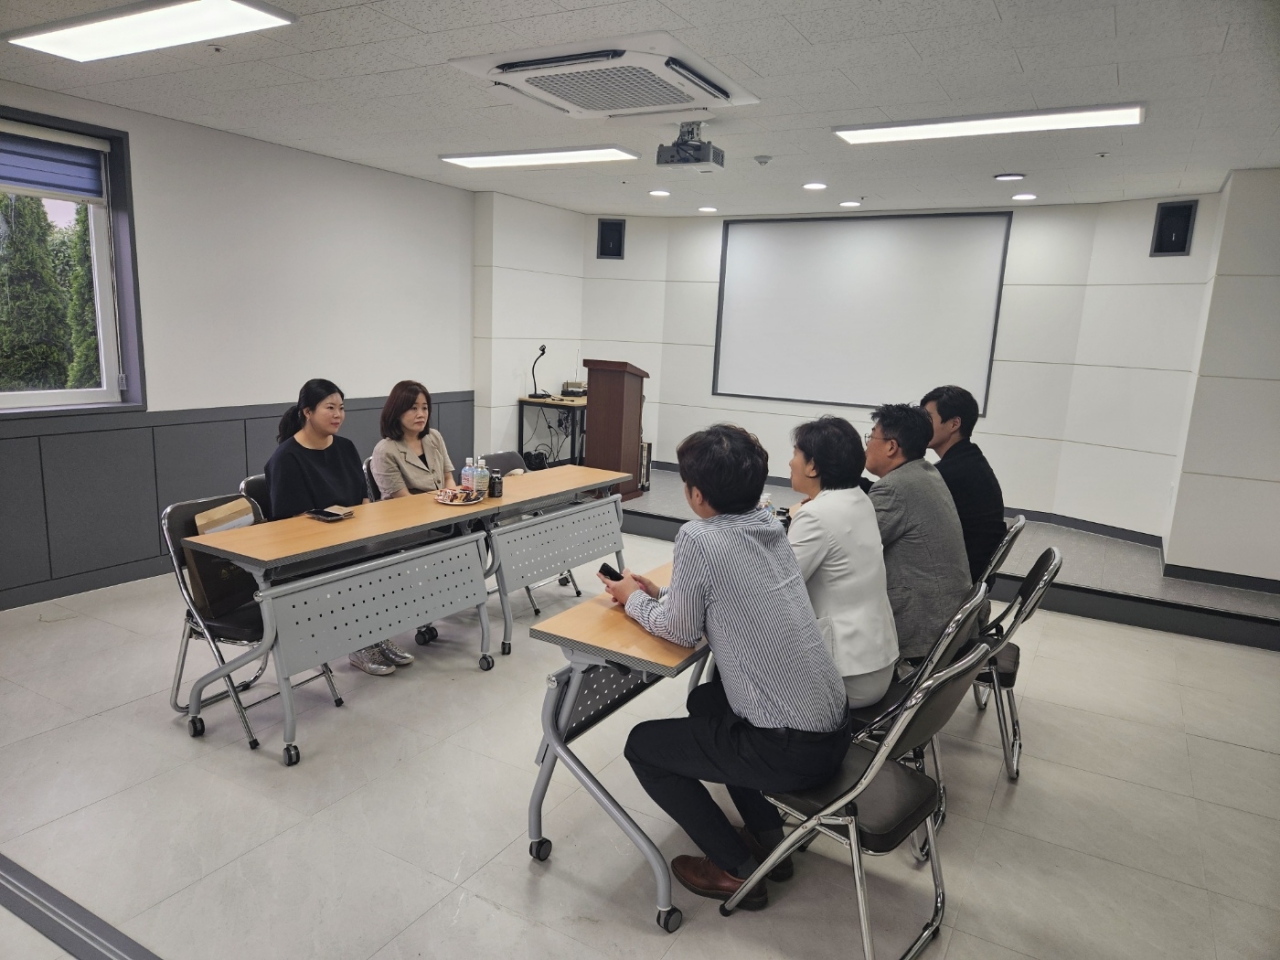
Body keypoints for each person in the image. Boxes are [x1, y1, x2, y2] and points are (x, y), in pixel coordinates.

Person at [601, 424, 850, 911]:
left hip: (789, 749)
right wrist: (663, 593)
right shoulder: (769, 524)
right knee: (706, 700)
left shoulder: (698, 536)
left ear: (695, 494)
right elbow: (729, 592)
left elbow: (678, 631)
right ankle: (769, 841)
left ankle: (735, 868)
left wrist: (632, 599)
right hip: (832, 730)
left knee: (643, 746)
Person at [265, 378, 411, 677]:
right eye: (329, 408)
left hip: (351, 538)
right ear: (307, 412)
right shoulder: (286, 458)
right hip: (310, 549)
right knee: (358, 569)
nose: (338, 415)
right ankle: (359, 643)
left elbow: (363, 499)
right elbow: (289, 521)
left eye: (341, 408)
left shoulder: (345, 447)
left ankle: (377, 633)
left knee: (390, 556)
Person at [786, 417, 899, 707]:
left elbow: (776, 590)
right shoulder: (858, 498)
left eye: (795, 454)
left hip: (844, 680)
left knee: (734, 668)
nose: (790, 462)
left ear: (813, 467)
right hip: (875, 662)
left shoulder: (815, 515)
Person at [864, 404, 972, 661]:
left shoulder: (893, 488)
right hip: (949, 616)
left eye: (871, 437)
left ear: (891, 446)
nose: (866, 446)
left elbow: (855, 549)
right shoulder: (925, 471)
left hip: (924, 628)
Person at [921, 385, 1007, 582]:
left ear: (954, 424)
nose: (921, 425)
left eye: (928, 418)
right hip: (974, 572)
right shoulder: (970, 459)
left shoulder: (952, 472)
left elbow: (898, 496)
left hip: (957, 579)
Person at [370, 380, 456, 498]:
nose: (421, 414)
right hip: (407, 508)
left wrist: (450, 498)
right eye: (413, 408)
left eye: (424, 408)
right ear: (397, 412)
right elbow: (404, 498)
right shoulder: (385, 451)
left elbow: (448, 478)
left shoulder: (434, 436)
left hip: (440, 505)